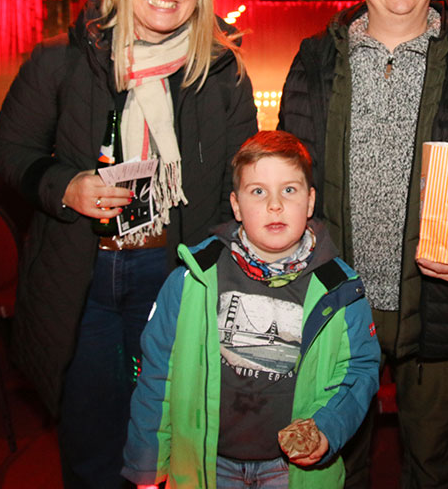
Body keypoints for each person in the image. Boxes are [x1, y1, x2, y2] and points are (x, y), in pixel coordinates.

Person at [0, 0, 257, 488]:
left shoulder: (224, 74)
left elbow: (236, 190)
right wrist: (66, 186)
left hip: (173, 275)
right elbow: (9, 149)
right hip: (79, 276)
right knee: (91, 440)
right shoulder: (60, 60)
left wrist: (211, 276)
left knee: (170, 439)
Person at [278, 0, 448, 488]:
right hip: (337, 303)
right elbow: (289, 180)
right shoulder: (315, 61)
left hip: (441, 308)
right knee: (337, 465)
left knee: (430, 466)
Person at [122, 130, 380, 488]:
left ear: (309, 202)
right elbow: (157, 375)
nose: (275, 205)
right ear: (236, 205)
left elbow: (359, 369)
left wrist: (327, 427)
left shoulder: (340, 288)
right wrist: (146, 465)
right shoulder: (192, 280)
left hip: (289, 472)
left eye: (289, 190)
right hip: (207, 464)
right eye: (258, 191)